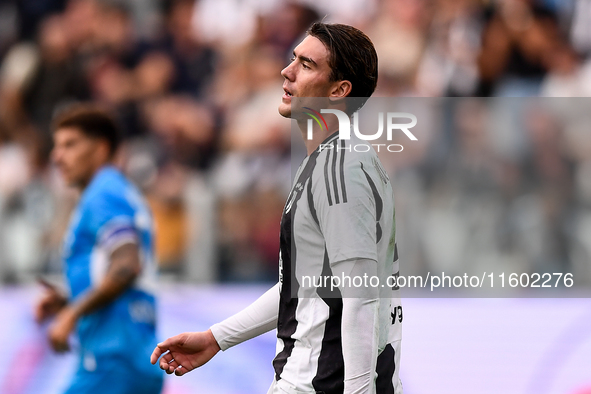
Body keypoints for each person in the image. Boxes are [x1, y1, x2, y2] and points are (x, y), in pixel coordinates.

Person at [151, 22, 403, 394]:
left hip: (318, 385)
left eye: (306, 65)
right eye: (292, 59)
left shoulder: (341, 168)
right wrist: (216, 338)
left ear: (339, 91)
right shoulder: (331, 162)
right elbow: (304, 287)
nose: (287, 71)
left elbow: (360, 297)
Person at [35, 104, 163, 394]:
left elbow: (127, 265)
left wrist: (71, 315)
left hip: (111, 359)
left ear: (101, 148)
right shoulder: (116, 191)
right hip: (130, 356)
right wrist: (69, 300)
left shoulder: (103, 193)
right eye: (56, 146)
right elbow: (119, 272)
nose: (57, 156)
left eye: (70, 145)